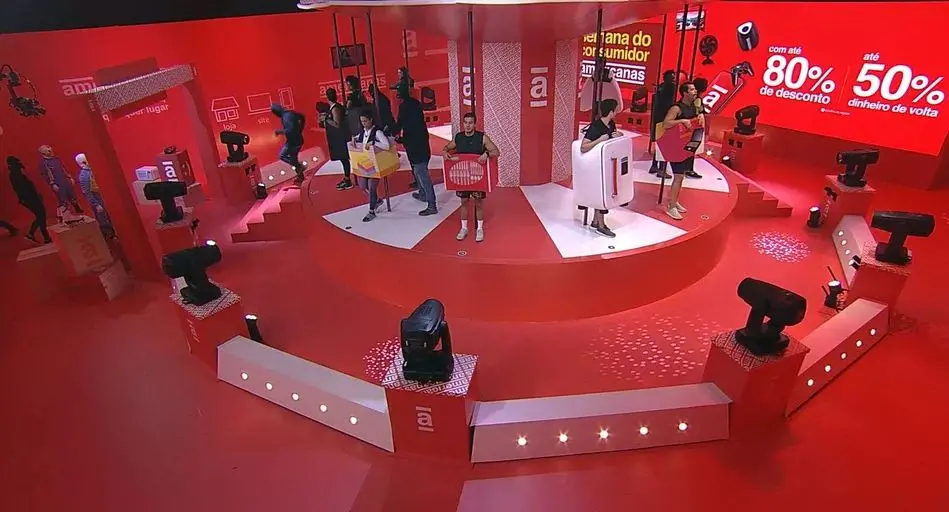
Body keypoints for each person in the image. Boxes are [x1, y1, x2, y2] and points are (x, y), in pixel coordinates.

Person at [442, 112, 499, 242]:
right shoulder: (458, 137)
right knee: (463, 202)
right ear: (463, 123)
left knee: (478, 203)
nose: (468, 125)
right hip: (462, 176)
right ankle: (464, 228)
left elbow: (496, 151)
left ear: (474, 124)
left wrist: (486, 154)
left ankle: (479, 229)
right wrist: (445, 151)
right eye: (466, 122)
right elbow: (447, 147)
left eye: (470, 123)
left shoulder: (482, 137)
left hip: (477, 176)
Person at [579, 98, 623, 238]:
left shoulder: (611, 124)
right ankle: (601, 225)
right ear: (610, 111)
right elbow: (583, 147)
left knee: (604, 192)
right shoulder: (596, 127)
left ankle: (596, 221)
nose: (616, 112)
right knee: (601, 193)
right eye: (615, 110)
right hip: (595, 165)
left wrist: (618, 136)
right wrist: (599, 140)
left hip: (607, 164)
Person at [392, 83, 438, 216]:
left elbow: (401, 124)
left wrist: (395, 134)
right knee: (419, 172)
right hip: (422, 144)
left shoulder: (404, 107)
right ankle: (423, 194)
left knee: (422, 175)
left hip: (415, 147)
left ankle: (432, 205)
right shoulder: (416, 104)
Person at [661, 81, 704, 220]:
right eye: (692, 89)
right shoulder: (676, 108)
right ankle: (671, 206)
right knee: (678, 176)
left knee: (681, 176)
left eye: (695, 89)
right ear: (685, 93)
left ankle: (674, 201)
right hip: (675, 146)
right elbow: (666, 123)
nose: (695, 91)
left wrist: (700, 117)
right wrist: (681, 121)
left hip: (687, 145)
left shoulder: (694, 106)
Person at [352, 109, 392, 222]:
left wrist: (374, 143)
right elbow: (360, 139)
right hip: (364, 163)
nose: (363, 123)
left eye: (365, 121)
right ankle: (377, 201)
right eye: (362, 121)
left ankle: (371, 211)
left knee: (371, 187)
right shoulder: (363, 132)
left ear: (371, 120)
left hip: (375, 164)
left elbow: (387, 146)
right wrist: (354, 139)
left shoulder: (377, 132)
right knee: (362, 186)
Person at [7, 156, 51, 244]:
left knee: (40, 215)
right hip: (30, 198)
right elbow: (24, 187)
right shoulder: (16, 173)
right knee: (41, 215)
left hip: (27, 198)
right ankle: (34, 234)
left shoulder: (14, 173)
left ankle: (43, 237)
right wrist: (34, 196)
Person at [75, 153, 115, 239]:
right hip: (95, 197)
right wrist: (96, 204)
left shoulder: (92, 171)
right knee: (102, 217)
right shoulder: (84, 176)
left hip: (100, 195)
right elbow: (87, 192)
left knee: (108, 215)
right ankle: (108, 234)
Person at [322, 88, 354, 191]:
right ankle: (346, 178)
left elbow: (337, 124)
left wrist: (327, 119)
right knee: (343, 159)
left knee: (344, 159)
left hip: (341, 138)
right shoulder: (333, 108)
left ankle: (347, 180)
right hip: (338, 138)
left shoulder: (335, 108)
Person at [38, 145, 82, 217]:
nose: (51, 152)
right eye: (49, 151)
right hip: (57, 183)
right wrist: (52, 184)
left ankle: (76, 206)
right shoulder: (44, 163)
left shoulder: (56, 159)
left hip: (65, 180)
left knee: (72, 194)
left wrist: (69, 177)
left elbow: (63, 168)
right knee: (62, 197)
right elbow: (45, 175)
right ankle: (66, 212)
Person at [649, 70, 676, 179]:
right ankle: (661, 169)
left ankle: (654, 166)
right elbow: (670, 104)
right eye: (673, 78)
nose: (674, 80)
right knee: (665, 145)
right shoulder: (671, 88)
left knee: (660, 143)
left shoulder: (660, 87)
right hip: (665, 119)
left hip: (657, 119)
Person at [271, 104, 307, 184]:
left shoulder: (286, 117)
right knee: (293, 158)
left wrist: (280, 132)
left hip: (293, 142)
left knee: (282, 155)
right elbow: (302, 117)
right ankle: (300, 176)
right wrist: (301, 128)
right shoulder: (290, 113)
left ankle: (299, 166)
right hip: (296, 140)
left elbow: (291, 129)